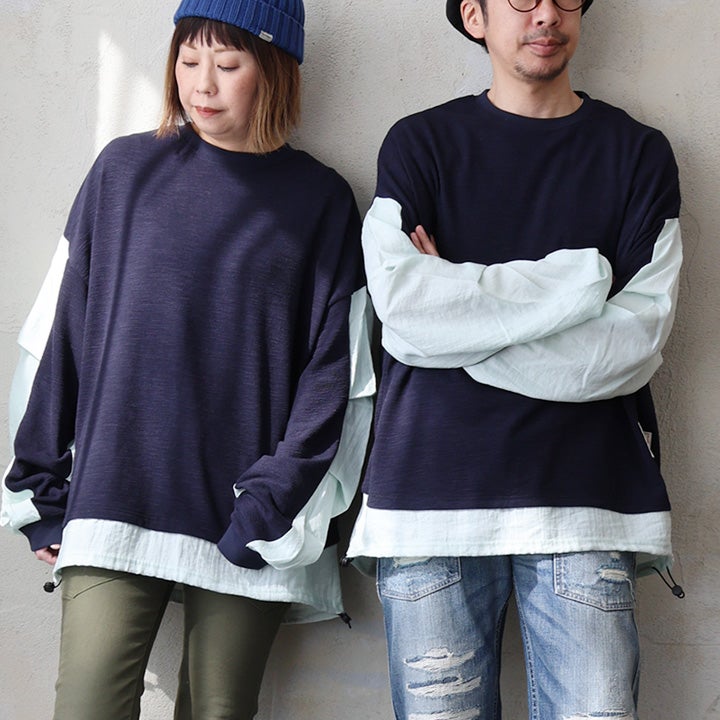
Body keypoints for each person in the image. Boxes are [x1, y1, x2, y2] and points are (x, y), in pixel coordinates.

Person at [1, 0, 374, 717]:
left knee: (218, 711)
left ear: (275, 71)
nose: (202, 83)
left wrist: (271, 505)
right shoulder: (123, 172)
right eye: (189, 58)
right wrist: (41, 488)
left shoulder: (321, 201)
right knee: (86, 706)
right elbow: (59, 333)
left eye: (228, 64)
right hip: (115, 496)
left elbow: (336, 377)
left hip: (248, 517)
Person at [346, 0, 682, 718]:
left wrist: (459, 328)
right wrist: (579, 283)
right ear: (474, 15)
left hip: (588, 504)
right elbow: (404, 310)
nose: (547, 14)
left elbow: (631, 345)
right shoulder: (419, 144)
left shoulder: (637, 153)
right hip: (428, 504)